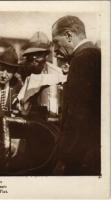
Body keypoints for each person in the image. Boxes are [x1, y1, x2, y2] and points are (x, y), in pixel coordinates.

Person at [52, 15, 101, 175]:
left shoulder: (82, 60)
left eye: (56, 42)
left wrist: (66, 158)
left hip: (81, 157)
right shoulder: (96, 55)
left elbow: (78, 116)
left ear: (68, 35)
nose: (54, 49)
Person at [17, 31, 66, 119]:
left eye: (39, 54)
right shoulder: (19, 70)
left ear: (46, 55)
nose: (34, 58)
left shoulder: (53, 72)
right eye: (31, 55)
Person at [0, 47, 23, 112]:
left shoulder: (17, 85)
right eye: (1, 69)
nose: (4, 75)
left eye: (9, 71)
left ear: (14, 72)